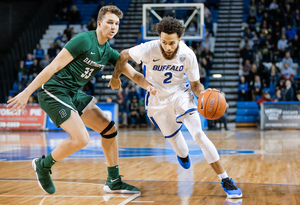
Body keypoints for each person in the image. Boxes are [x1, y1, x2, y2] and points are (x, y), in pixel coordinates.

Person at [7, 5, 156, 195]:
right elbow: (53, 66)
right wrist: (27, 92)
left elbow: (134, 75)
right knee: (81, 138)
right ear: (99, 23)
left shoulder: (108, 51)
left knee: (108, 129)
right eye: (110, 23)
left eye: (117, 24)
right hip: (54, 90)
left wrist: (150, 87)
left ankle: (114, 181)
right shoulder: (84, 40)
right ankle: (43, 165)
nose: (114, 27)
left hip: (73, 92)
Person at [108, 16, 242, 199]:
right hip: (157, 102)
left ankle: (225, 179)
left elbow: (195, 85)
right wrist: (115, 77)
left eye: (171, 43)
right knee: (181, 149)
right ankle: (183, 154)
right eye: (164, 42)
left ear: (179, 39)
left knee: (198, 135)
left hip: (181, 95)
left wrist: (202, 94)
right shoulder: (148, 49)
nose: (167, 47)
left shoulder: (188, 54)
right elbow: (123, 55)